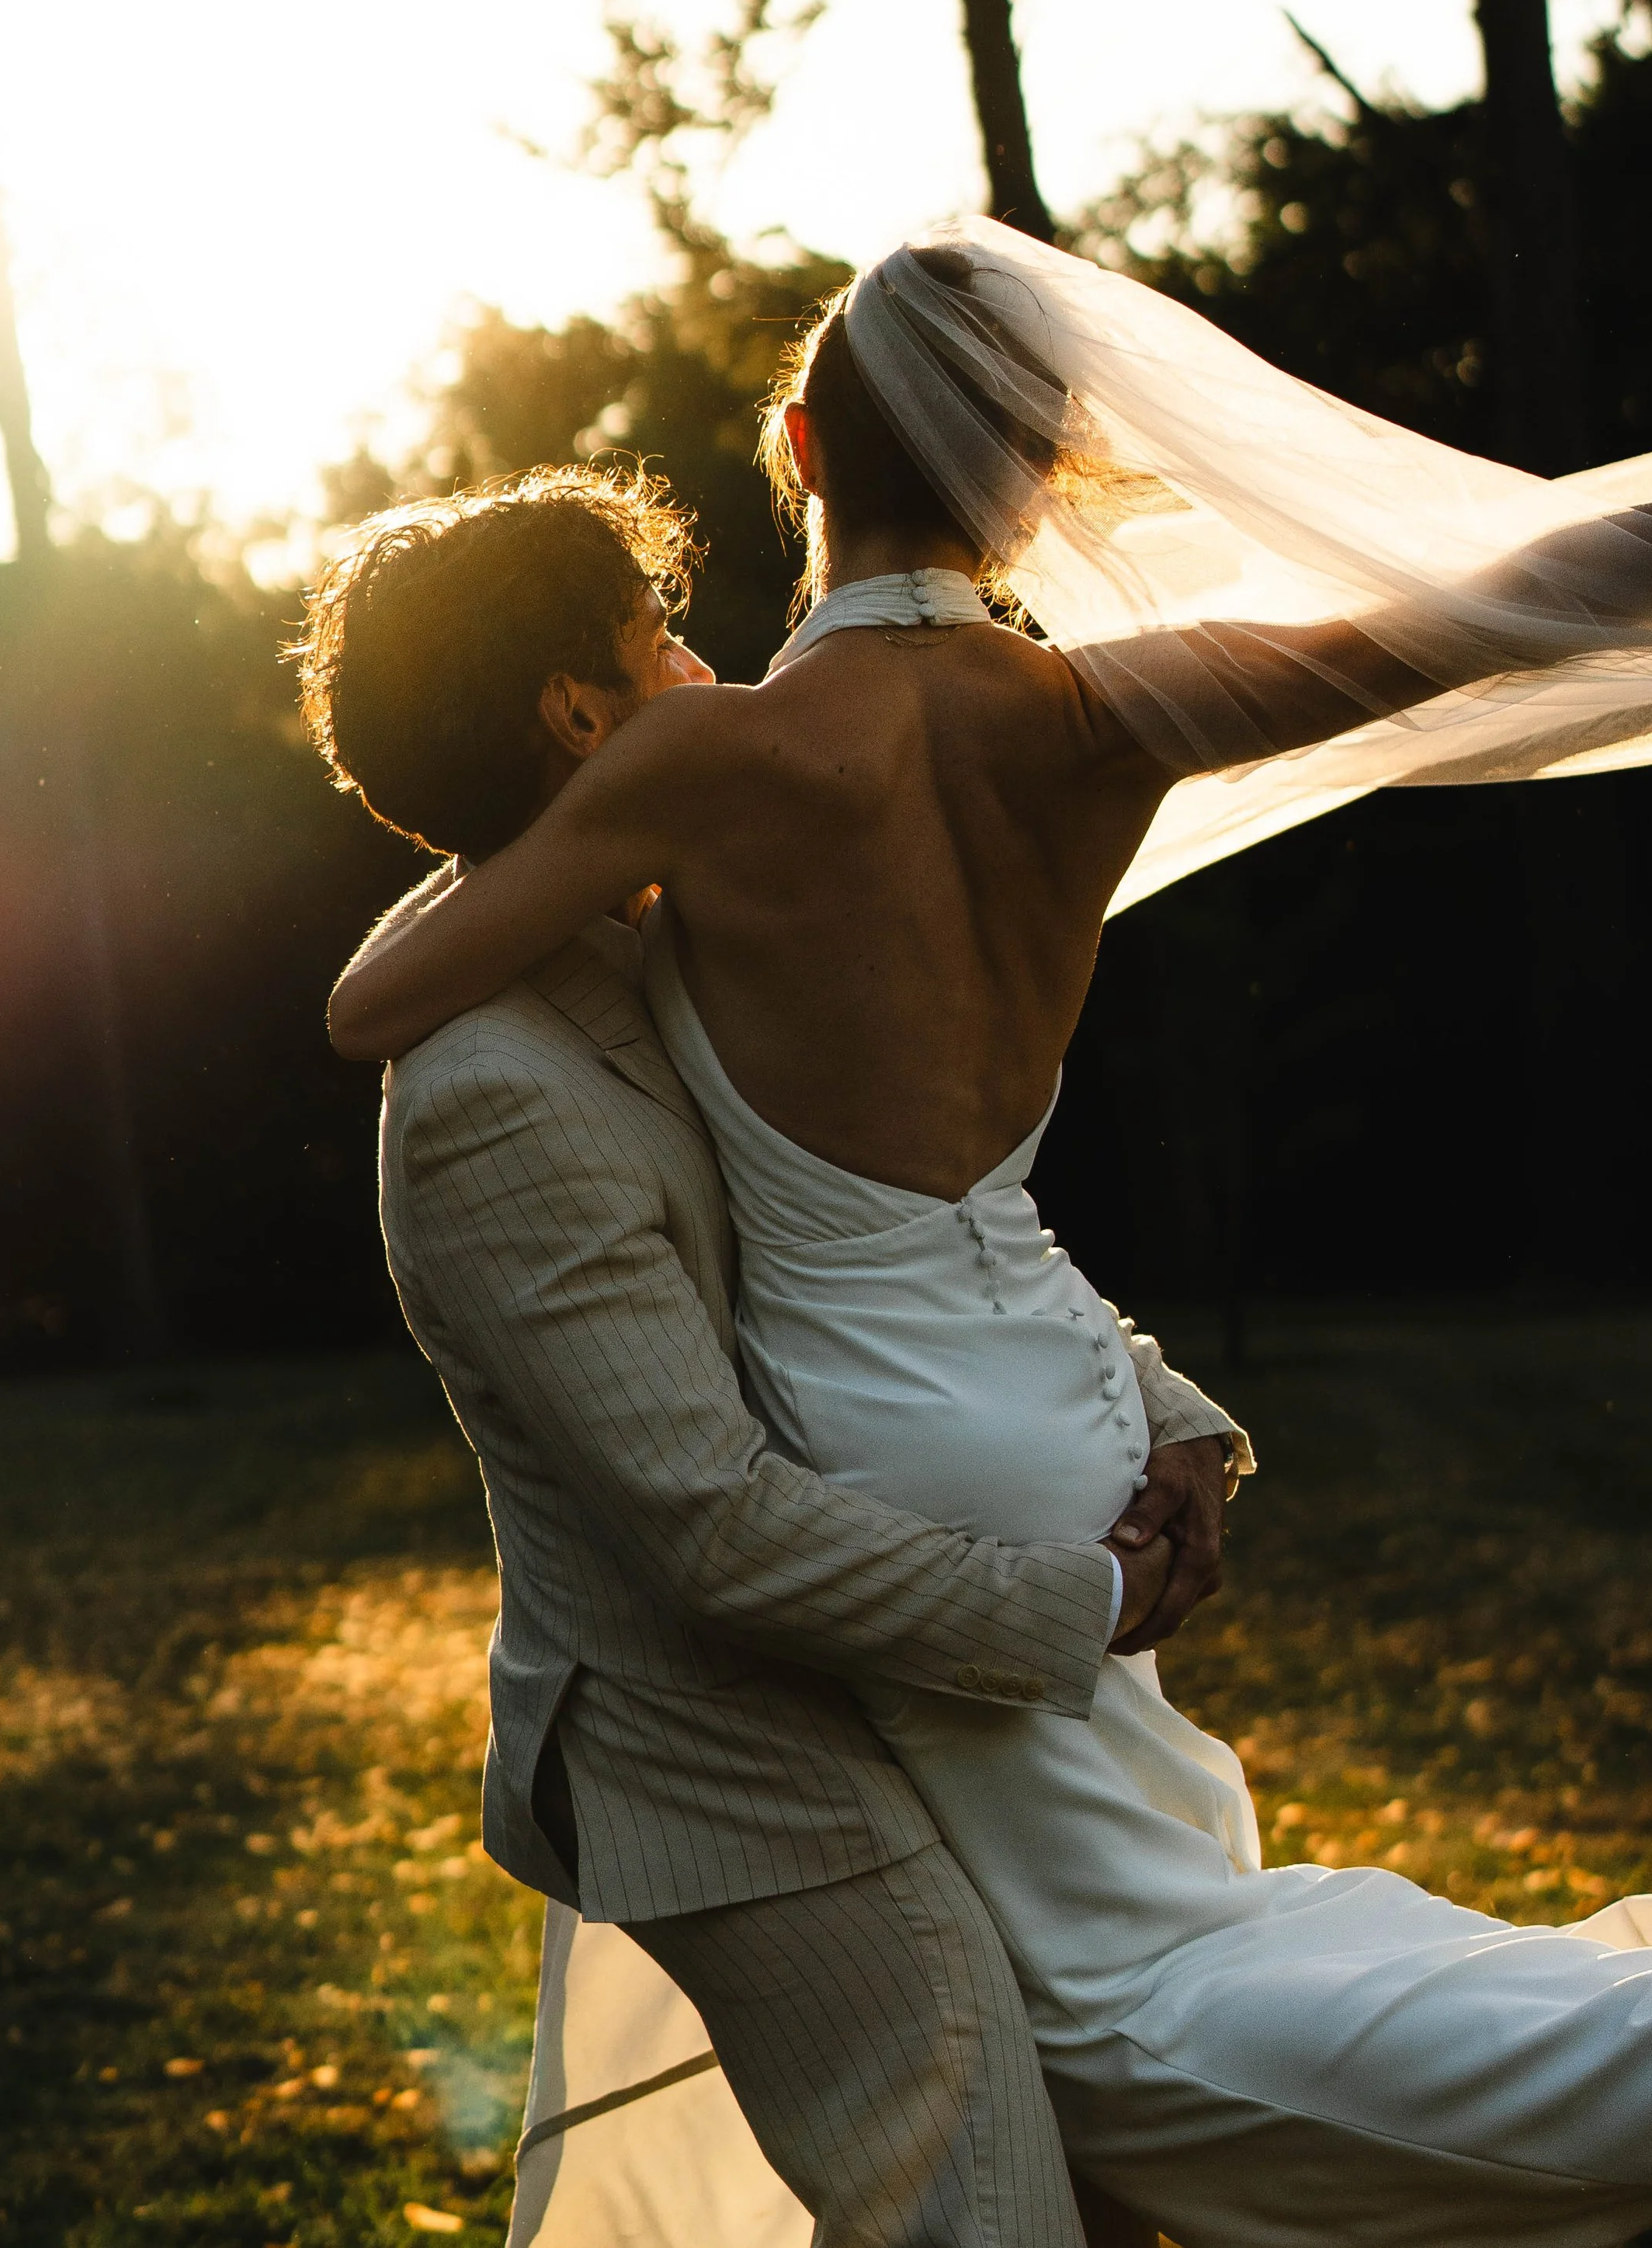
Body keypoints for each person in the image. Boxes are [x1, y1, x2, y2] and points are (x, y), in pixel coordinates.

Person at [329, 220, 1652, 2248]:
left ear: (796, 450)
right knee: (1150, 1937)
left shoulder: (708, 760)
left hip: (885, 1431)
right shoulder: (1100, 713)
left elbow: (378, 999)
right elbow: (1510, 608)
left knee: (1116, 2000)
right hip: (1050, 1366)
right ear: (1041, 473)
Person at [295, 467, 1252, 2248]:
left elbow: (894, 1229)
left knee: (1101, 2158)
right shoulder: (490, 1095)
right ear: (579, 715)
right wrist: (1079, 1601)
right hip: (719, 1751)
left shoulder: (658, 932)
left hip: (861, 1682)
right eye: (658, 636)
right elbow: (709, 1527)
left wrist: (1162, 1406)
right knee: (979, 2198)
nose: (708, 666)